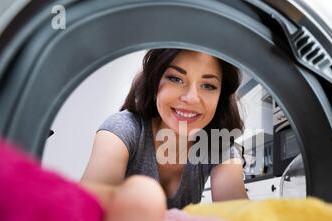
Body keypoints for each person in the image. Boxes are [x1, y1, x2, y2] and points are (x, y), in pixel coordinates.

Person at [80, 49, 248, 210]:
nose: (191, 98)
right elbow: (89, 208)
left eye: (208, 86)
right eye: (176, 79)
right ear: (155, 82)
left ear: (220, 97)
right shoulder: (122, 129)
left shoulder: (218, 145)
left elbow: (239, 216)